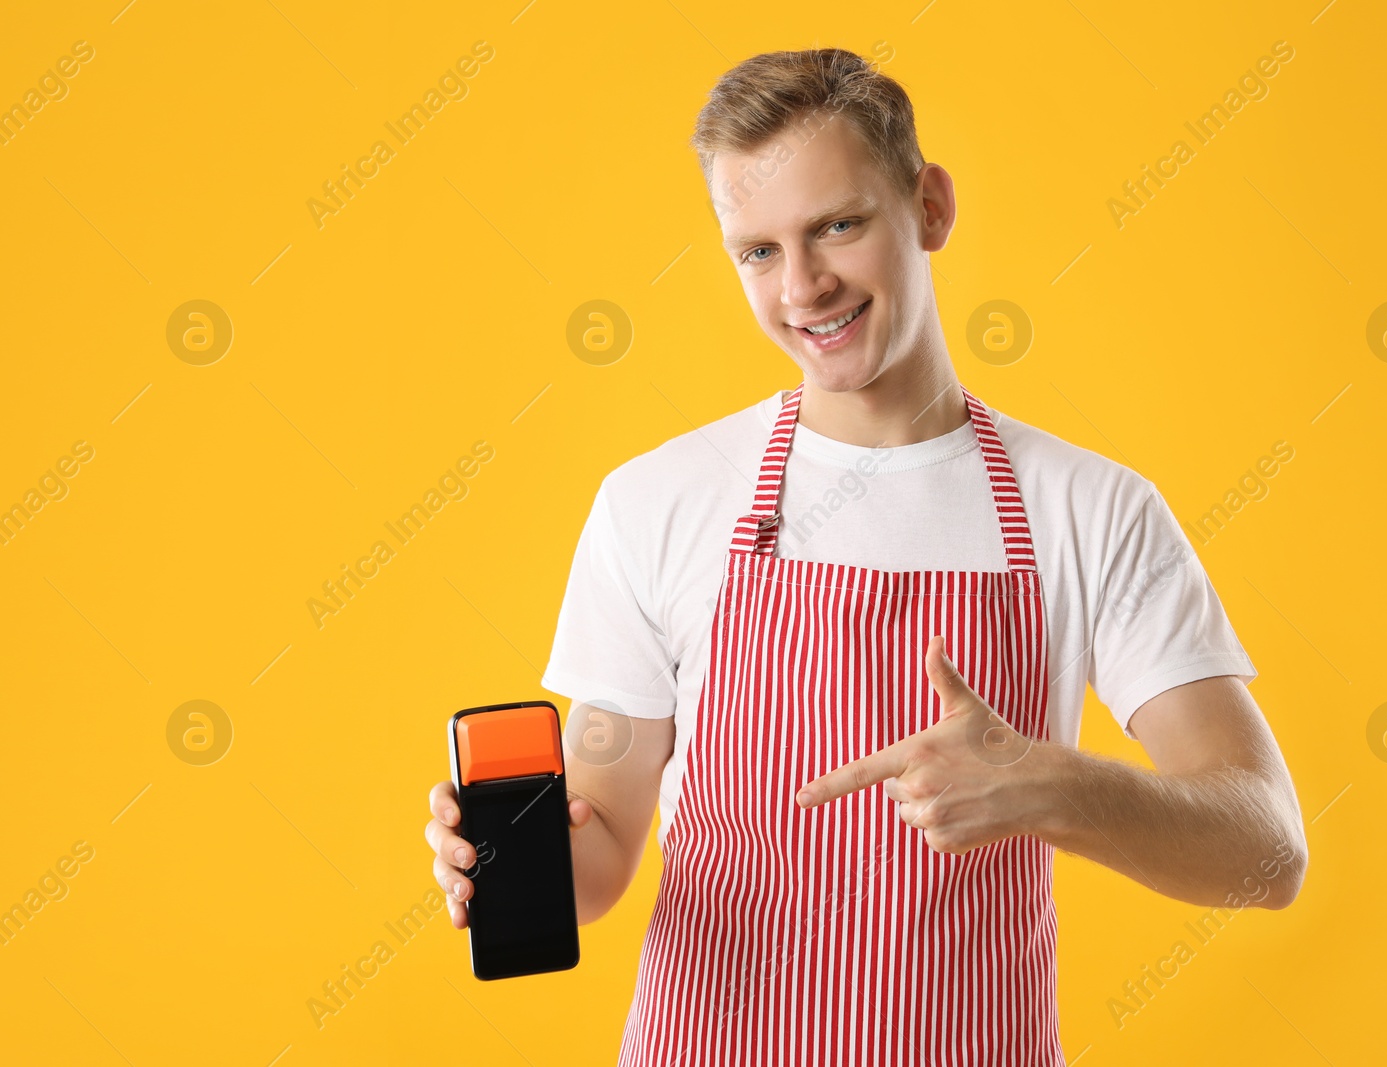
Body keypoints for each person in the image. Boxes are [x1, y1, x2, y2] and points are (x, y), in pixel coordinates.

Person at [426, 47, 1307, 1064]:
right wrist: (499, 859)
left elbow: (1267, 849)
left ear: (928, 205)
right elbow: (604, 844)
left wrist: (1050, 786)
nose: (801, 287)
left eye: (836, 226)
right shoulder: (656, 503)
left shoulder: (1090, 508)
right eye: (756, 251)